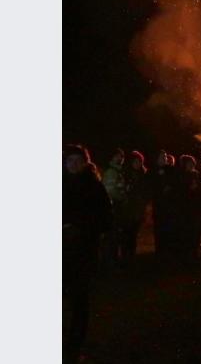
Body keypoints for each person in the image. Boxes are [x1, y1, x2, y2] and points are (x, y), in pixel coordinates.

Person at [63, 145, 111, 362]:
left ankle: (74, 346)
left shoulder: (94, 187)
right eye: (69, 160)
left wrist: (79, 228)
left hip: (82, 251)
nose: (72, 164)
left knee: (79, 301)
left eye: (76, 160)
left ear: (84, 162)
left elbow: (105, 219)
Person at [119, 151, 148, 266]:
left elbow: (145, 192)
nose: (138, 163)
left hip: (138, 209)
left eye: (140, 161)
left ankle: (131, 257)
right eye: (135, 161)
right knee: (126, 234)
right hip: (127, 209)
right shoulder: (126, 174)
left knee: (133, 234)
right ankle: (125, 256)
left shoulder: (143, 174)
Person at [149, 150, 177, 255]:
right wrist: (161, 189)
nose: (165, 158)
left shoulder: (170, 170)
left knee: (169, 228)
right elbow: (151, 187)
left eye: (165, 156)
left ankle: (168, 250)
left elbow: (175, 183)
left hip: (169, 206)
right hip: (159, 205)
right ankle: (160, 251)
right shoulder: (153, 171)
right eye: (162, 157)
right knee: (159, 228)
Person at [101, 149, 126, 267]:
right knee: (112, 236)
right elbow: (110, 191)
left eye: (122, 157)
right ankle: (110, 262)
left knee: (116, 235)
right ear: (112, 158)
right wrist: (122, 197)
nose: (121, 159)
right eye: (118, 156)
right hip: (113, 207)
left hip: (117, 206)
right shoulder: (111, 172)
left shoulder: (118, 171)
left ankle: (113, 260)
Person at [175, 155, 201, 258]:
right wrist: (188, 188)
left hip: (195, 206)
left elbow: (200, 189)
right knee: (186, 229)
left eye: (192, 163)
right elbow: (179, 191)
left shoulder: (196, 174)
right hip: (184, 207)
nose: (191, 165)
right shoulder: (181, 175)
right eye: (188, 163)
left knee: (195, 229)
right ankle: (185, 250)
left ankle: (194, 249)